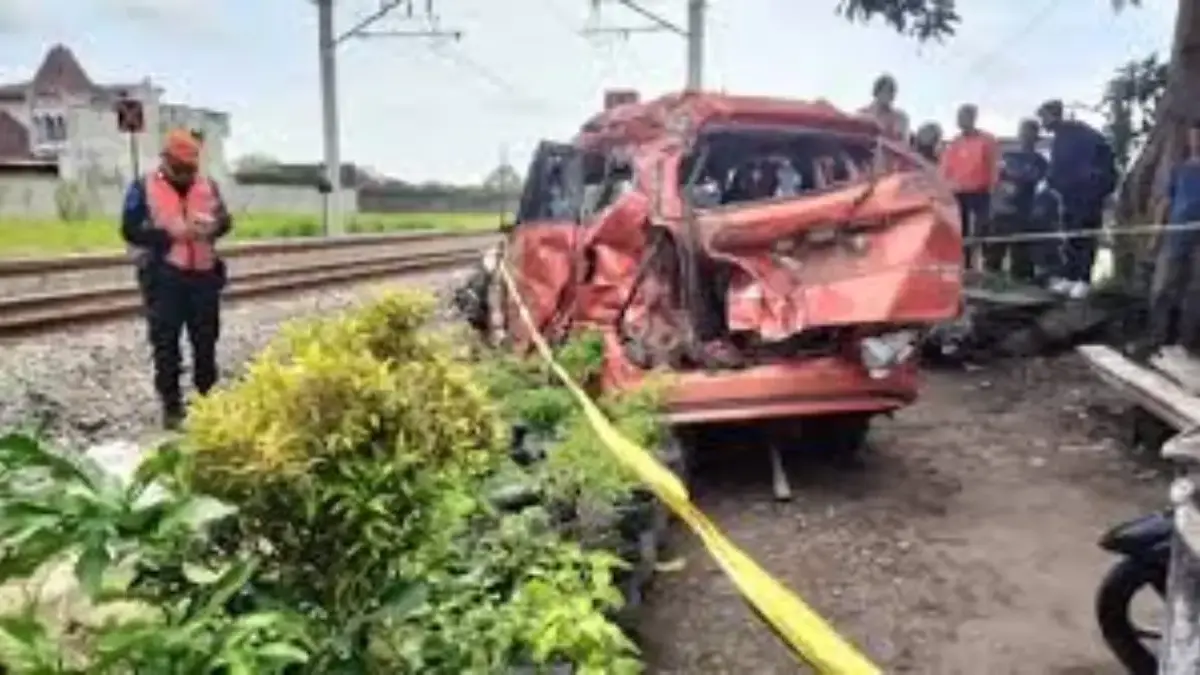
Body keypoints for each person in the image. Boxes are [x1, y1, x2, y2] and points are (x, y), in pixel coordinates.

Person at [121, 129, 232, 429]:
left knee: (206, 342)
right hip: (163, 275)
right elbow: (130, 230)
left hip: (204, 275)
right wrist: (170, 234)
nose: (185, 174)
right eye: (180, 168)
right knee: (166, 344)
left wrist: (213, 228)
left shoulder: (208, 186)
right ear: (166, 161)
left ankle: (208, 403)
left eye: (190, 168)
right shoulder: (143, 187)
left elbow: (226, 221)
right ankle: (172, 408)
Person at [1036, 99, 1118, 298]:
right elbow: (1057, 168)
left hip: (1087, 196)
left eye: (1043, 118)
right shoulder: (1061, 137)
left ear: (1054, 115)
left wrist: (1096, 188)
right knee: (1070, 236)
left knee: (1085, 237)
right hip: (1069, 196)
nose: (1042, 123)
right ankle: (1070, 276)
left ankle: (1083, 279)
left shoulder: (1082, 135)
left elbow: (1099, 165)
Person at [1142, 121, 1200, 357]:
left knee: (1195, 290)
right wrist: (1156, 234)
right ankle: (1156, 337)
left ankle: (1188, 342)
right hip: (1175, 235)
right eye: (1194, 137)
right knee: (1162, 287)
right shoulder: (1180, 169)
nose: (1196, 142)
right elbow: (1165, 202)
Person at [986, 119, 1049, 279]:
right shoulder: (1008, 156)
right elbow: (995, 177)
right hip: (1002, 210)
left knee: (1021, 252)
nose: (1026, 136)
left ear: (1036, 136)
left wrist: (1017, 178)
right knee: (994, 251)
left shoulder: (1040, 161)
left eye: (1030, 133)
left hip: (1024, 211)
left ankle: (1021, 280)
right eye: (1023, 132)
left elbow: (1037, 179)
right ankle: (992, 280)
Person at [939, 104, 999, 269]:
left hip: (980, 192)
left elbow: (993, 165)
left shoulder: (986, 140)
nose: (961, 121)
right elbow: (946, 169)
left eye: (964, 117)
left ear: (973, 118)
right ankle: (965, 265)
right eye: (959, 117)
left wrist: (993, 187)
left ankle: (984, 264)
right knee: (961, 229)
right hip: (959, 193)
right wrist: (945, 188)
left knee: (981, 229)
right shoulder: (955, 143)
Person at [859, 74, 910, 143]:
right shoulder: (861, 114)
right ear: (876, 91)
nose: (890, 95)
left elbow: (902, 143)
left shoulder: (900, 118)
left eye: (892, 92)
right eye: (886, 91)